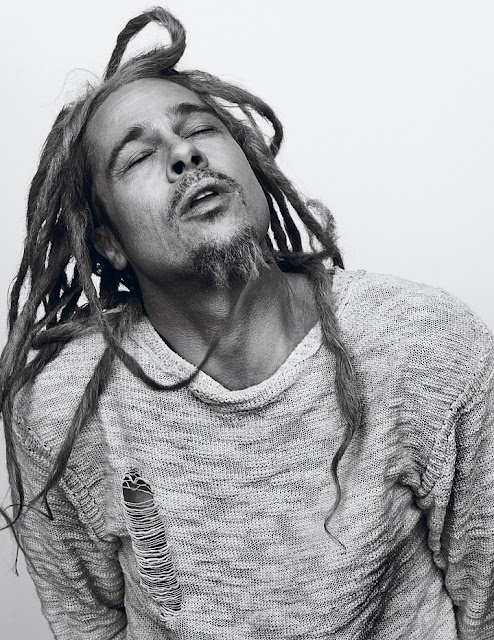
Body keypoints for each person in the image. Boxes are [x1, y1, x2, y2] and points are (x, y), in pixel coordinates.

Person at [1, 7, 492, 639]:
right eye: (139, 156)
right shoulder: (60, 408)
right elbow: (88, 624)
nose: (184, 154)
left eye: (200, 130)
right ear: (110, 243)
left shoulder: (426, 346)